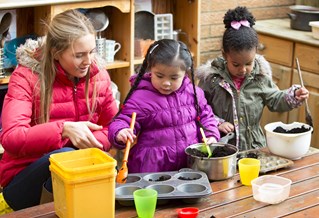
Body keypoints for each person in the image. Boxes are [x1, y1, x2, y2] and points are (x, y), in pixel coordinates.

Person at [0, 9, 118, 213]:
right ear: (56, 53)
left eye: (92, 51)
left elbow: (113, 127)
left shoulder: (99, 75)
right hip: (24, 180)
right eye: (79, 55)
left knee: (107, 167)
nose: (89, 61)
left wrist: (87, 141)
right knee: (66, 157)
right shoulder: (25, 77)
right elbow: (11, 137)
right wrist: (63, 130)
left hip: (78, 170)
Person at [196, 6, 309, 151]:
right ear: (225, 56)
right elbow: (198, 108)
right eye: (236, 64)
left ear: (256, 53)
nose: (243, 70)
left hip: (253, 148)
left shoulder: (260, 78)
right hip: (222, 149)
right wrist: (217, 123)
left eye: (248, 63)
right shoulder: (211, 80)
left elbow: (275, 99)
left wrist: (294, 95)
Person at [108, 39, 220, 173]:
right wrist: (121, 132)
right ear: (151, 69)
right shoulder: (141, 97)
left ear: (185, 73)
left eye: (174, 78)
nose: (166, 83)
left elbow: (206, 116)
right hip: (152, 168)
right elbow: (123, 119)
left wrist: (211, 135)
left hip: (188, 164)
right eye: (159, 76)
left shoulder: (194, 93)